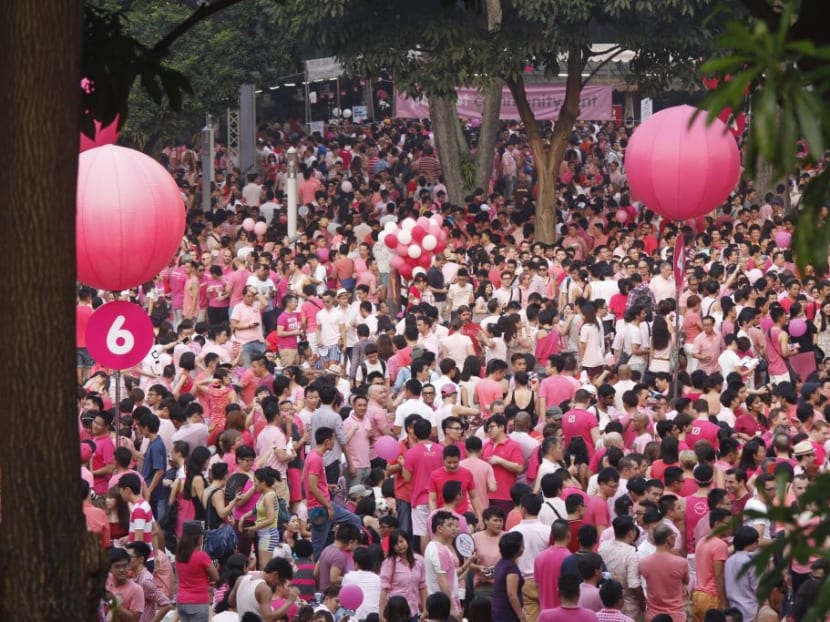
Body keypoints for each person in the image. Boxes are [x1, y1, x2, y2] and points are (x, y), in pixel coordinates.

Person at [303, 426, 362, 560]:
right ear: (327, 441)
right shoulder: (316, 459)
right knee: (318, 548)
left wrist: (325, 486)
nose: (334, 443)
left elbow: (307, 481)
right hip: (320, 507)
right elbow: (312, 486)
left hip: (318, 505)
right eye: (333, 440)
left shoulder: (313, 455)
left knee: (319, 545)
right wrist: (328, 505)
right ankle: (347, 553)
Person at [637, 524, 688, 622]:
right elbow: (686, 581)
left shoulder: (643, 563)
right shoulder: (681, 563)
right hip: (676, 616)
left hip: (653, 616)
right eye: (674, 536)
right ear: (669, 539)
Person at [229, 556, 301, 620]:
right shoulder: (264, 589)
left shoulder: (241, 579)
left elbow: (231, 602)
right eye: (280, 581)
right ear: (275, 574)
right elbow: (269, 618)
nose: (277, 585)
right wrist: (289, 602)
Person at [379, 528, 427, 622]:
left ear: (407, 540)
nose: (400, 546)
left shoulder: (419, 560)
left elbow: (422, 586)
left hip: (413, 610)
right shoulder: (389, 563)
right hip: (395, 612)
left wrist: (425, 609)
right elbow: (384, 589)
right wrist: (381, 614)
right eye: (396, 544)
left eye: (401, 541)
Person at [175, 521, 219, 622]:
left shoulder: (179, 555)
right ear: (197, 538)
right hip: (198, 602)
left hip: (182, 601)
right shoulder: (201, 556)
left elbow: (178, 578)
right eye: (202, 536)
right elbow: (216, 576)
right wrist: (208, 579)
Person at [125, 541, 173, 622]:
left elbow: (166, 605)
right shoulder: (134, 576)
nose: (126, 560)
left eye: (130, 557)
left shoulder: (145, 581)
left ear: (141, 559)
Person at [492, 531, 526, 622]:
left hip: (499, 608)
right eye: (522, 545)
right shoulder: (511, 568)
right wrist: (521, 615)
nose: (524, 548)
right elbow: (511, 594)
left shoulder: (501, 563)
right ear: (516, 549)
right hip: (508, 612)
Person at [106, 546, 145, 622]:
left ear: (129, 566)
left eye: (125, 566)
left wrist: (114, 603)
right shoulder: (106, 580)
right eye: (117, 566)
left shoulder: (136, 589)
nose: (121, 570)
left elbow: (134, 619)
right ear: (109, 567)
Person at [342, 546, 383, 620]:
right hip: (374, 618)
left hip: (354, 618)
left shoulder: (348, 577)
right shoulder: (378, 579)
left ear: (356, 563)